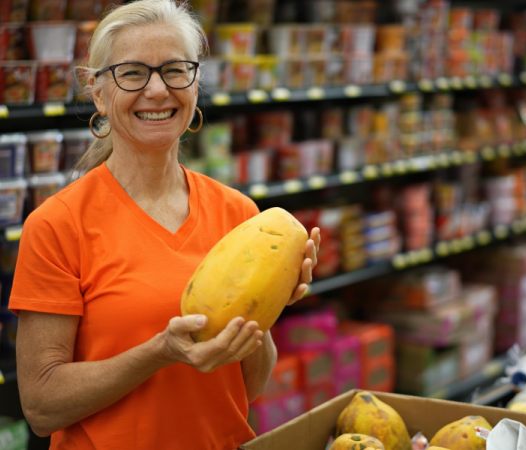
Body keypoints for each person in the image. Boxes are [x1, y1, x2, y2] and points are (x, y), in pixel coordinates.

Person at [8, 1, 320, 449]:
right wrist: (159, 353)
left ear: (195, 85)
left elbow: (245, 389)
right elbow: (41, 407)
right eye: (132, 73)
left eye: (175, 70)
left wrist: (269, 303)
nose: (157, 91)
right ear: (98, 92)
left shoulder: (239, 214)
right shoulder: (58, 225)